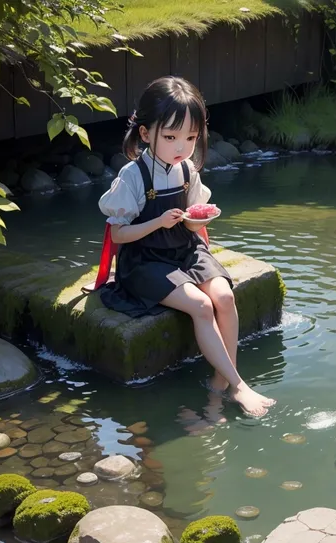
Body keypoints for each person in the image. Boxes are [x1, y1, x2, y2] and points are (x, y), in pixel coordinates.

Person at [97, 76, 276, 417]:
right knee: (202, 306)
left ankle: (221, 383)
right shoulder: (132, 177)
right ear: (145, 133)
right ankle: (239, 386)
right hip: (145, 260)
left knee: (224, 296)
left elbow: (193, 222)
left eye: (191, 137)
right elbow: (118, 235)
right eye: (170, 136)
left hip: (184, 250)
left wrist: (196, 221)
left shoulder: (187, 171)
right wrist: (157, 222)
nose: (181, 146)